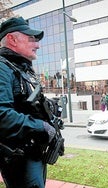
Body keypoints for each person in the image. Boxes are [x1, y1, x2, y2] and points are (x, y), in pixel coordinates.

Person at [0, 17, 56, 188]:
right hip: (19, 157)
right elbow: (2, 115)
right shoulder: (2, 68)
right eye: (31, 38)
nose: (37, 44)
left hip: (34, 153)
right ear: (12, 39)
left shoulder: (22, 69)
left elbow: (26, 105)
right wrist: (40, 126)